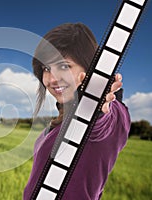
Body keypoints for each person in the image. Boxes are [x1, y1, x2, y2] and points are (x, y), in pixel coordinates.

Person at [23, 23, 131, 199]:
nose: (52, 79)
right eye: (46, 68)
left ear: (89, 68)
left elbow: (102, 125)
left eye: (64, 66)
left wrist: (96, 104)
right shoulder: (57, 124)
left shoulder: (108, 113)